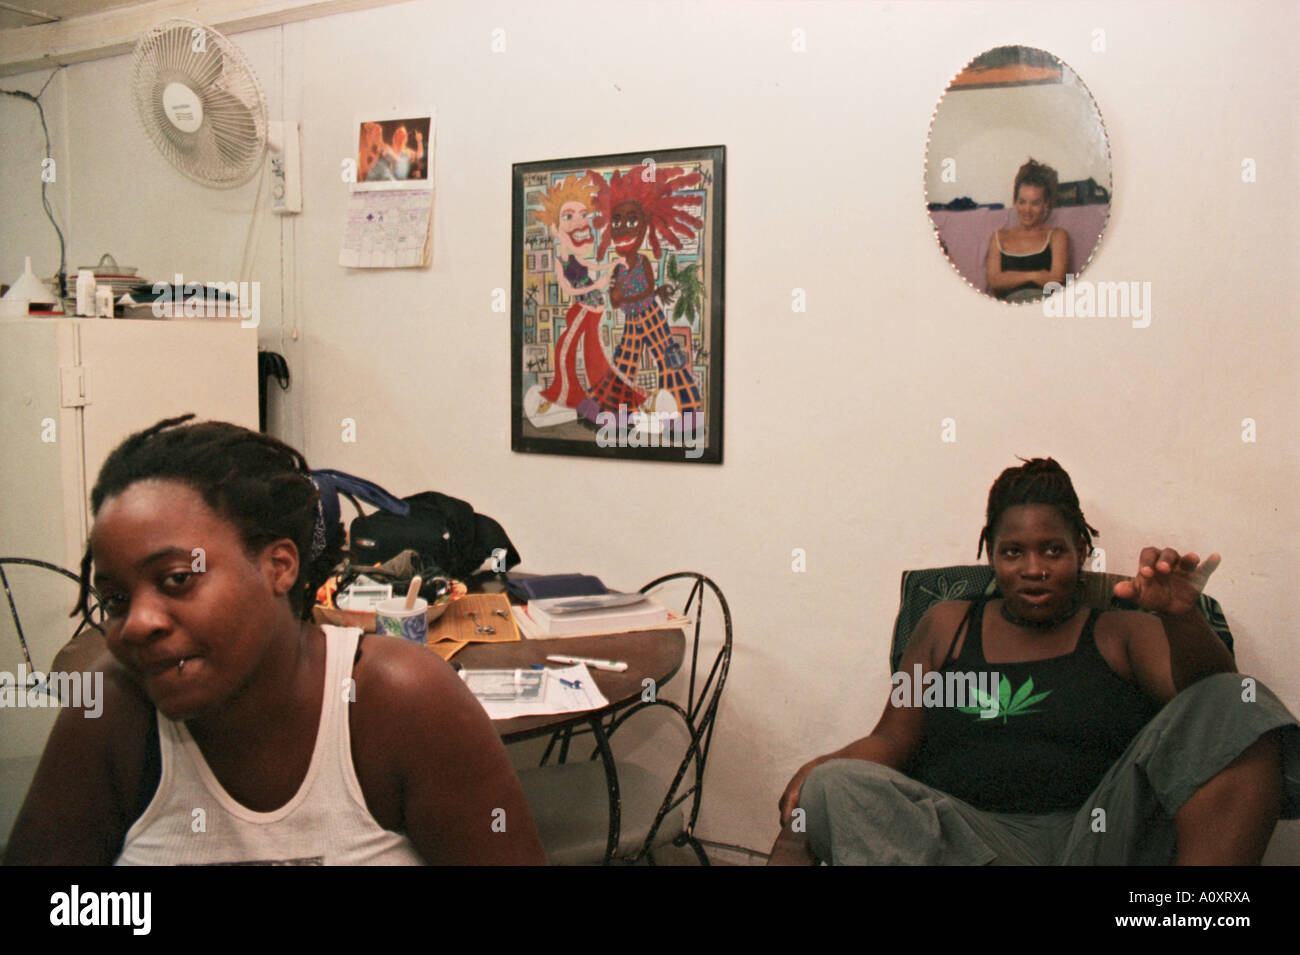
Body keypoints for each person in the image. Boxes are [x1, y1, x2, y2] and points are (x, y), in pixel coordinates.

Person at [4, 416, 546, 865]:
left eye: (177, 579)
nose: (138, 624)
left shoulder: (399, 700)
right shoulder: (113, 712)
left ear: (278, 565)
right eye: (116, 599)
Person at [779, 458, 1299, 865]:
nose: (1033, 569)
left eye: (1052, 551)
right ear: (990, 554)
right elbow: (892, 739)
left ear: (1081, 550)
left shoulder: (1120, 629)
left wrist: (1182, 619)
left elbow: (1213, 704)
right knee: (831, 789)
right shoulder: (945, 624)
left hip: (1095, 842)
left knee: (1238, 700)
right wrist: (820, 768)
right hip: (965, 845)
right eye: (1013, 552)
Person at [985, 159, 1069, 302]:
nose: (1027, 210)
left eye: (1035, 203)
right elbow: (994, 281)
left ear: (1046, 203)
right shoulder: (999, 236)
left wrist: (1010, 277)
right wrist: (1035, 275)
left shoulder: (1057, 236)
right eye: (1022, 202)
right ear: (1015, 201)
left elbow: (1057, 282)